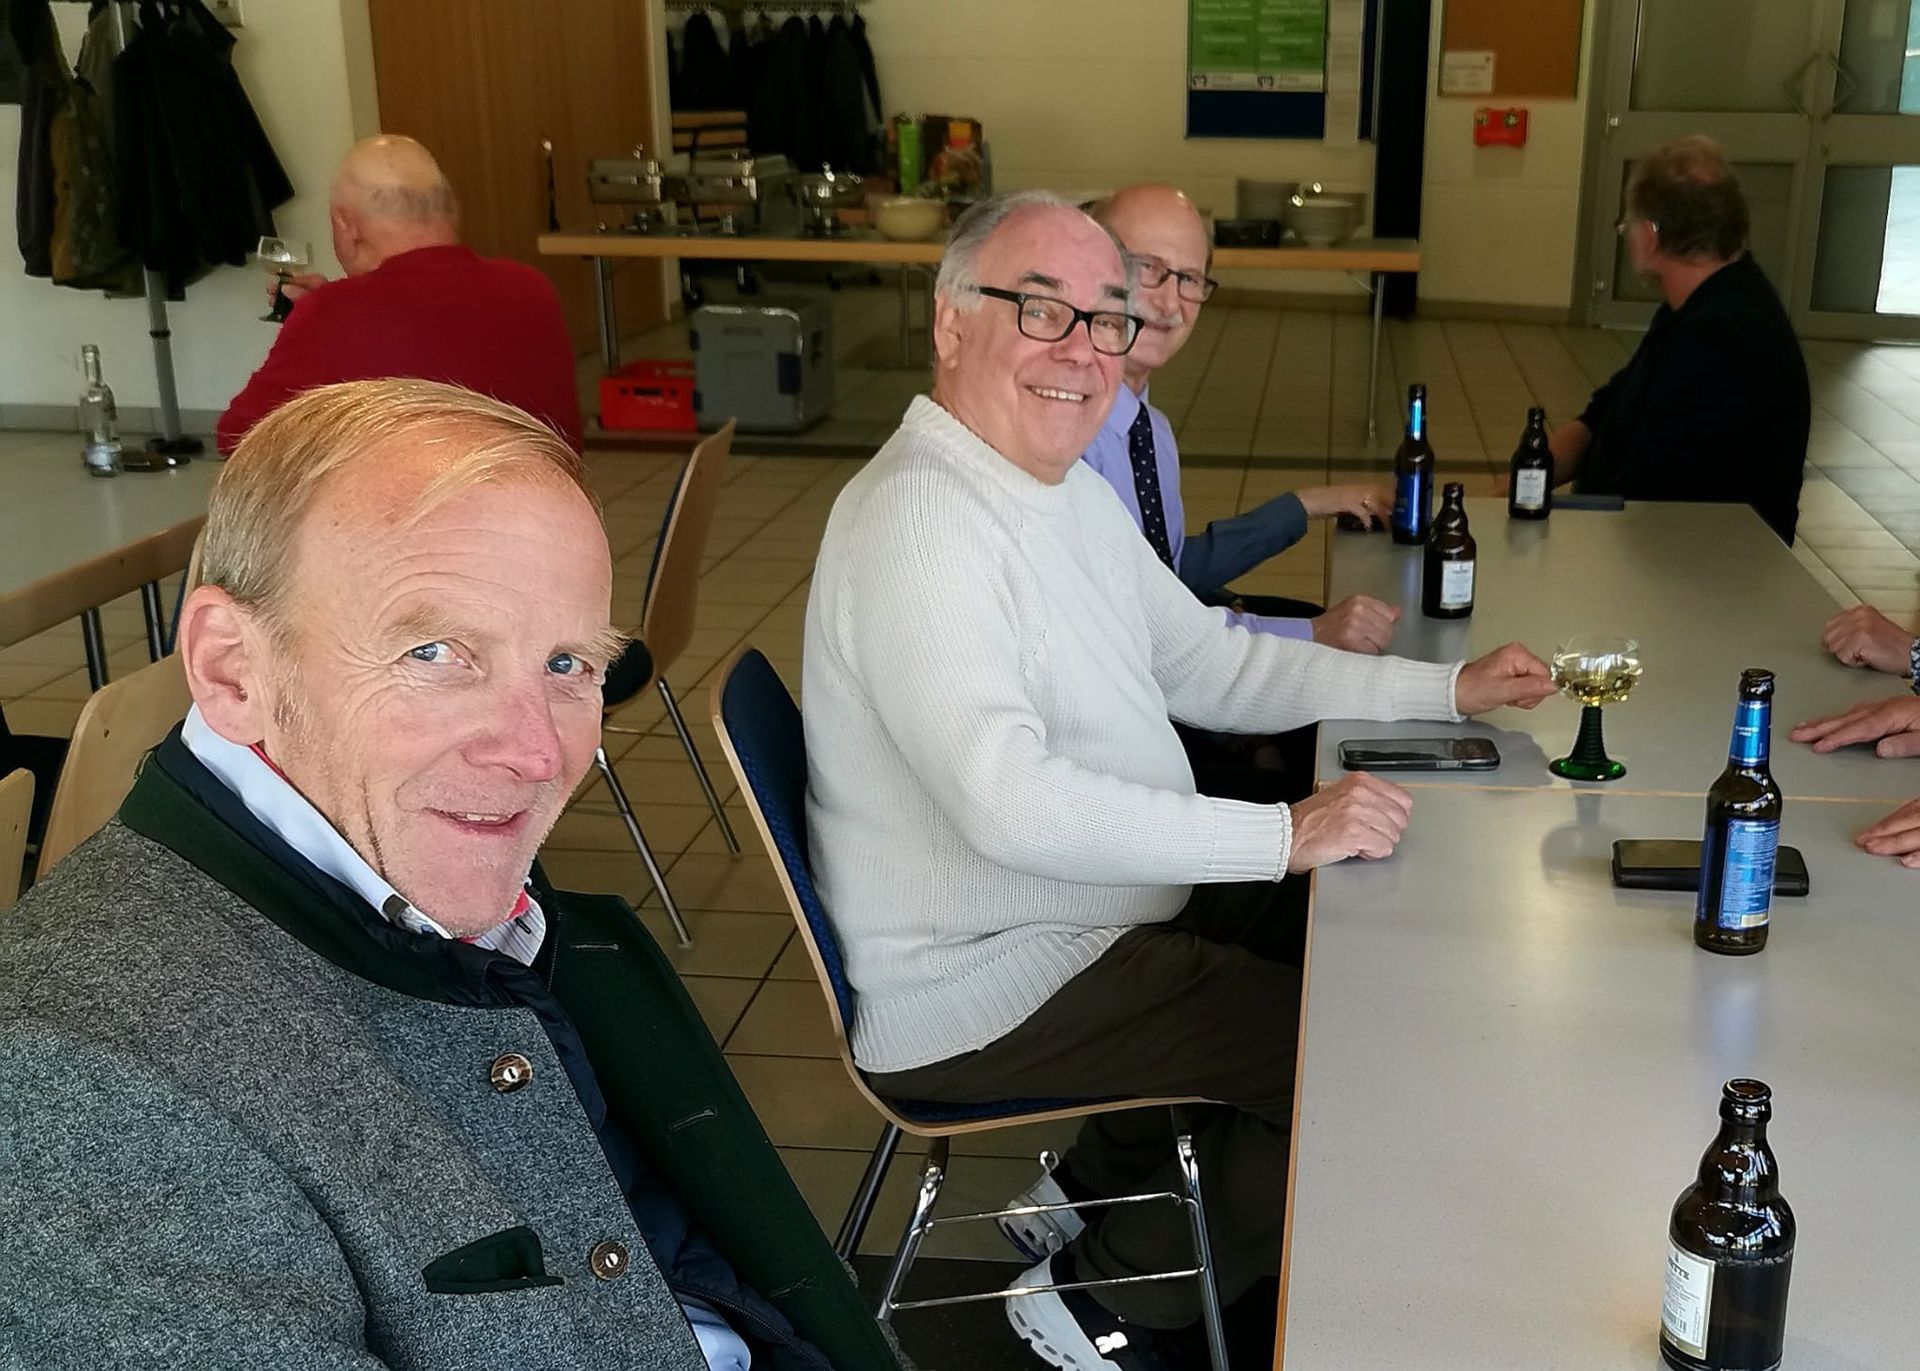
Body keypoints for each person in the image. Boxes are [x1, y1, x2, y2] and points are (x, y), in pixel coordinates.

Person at [0, 380, 900, 1371]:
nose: (537, 751)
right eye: (436, 652)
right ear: (231, 669)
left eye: (568, 664)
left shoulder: (412, 865)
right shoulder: (82, 1095)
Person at [801, 190, 1556, 1370]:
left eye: (1106, 319)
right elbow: (1009, 803)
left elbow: (1210, 663)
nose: (1083, 350)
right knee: (1352, 1051)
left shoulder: (1054, 487)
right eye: (1040, 309)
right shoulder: (923, 524)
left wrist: (1444, 691)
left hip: (1076, 914)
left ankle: (1102, 1188)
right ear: (950, 321)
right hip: (985, 981)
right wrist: (1280, 835)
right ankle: (1103, 1302)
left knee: (1348, 943)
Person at [1081, 183, 1399, 656]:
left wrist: (1307, 504)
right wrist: (1312, 633)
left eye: (1189, 279)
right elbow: (1142, 634)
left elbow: (1168, 573)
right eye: (1147, 268)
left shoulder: (1150, 430)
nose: (1170, 304)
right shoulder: (1068, 440)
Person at [216, 136, 583, 454]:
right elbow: (440, 338)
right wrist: (332, 308)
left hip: (421, 510)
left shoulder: (335, 314)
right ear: (450, 212)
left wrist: (321, 316)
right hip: (539, 499)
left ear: (345, 225)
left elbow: (239, 436)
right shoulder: (531, 288)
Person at [1541, 136, 1810, 544]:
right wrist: (1519, 483)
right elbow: (1604, 413)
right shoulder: (1702, 306)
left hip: (1697, 562)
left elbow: (1645, 495)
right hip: (1663, 544)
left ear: (1650, 235)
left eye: (1627, 225)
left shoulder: (1723, 338)